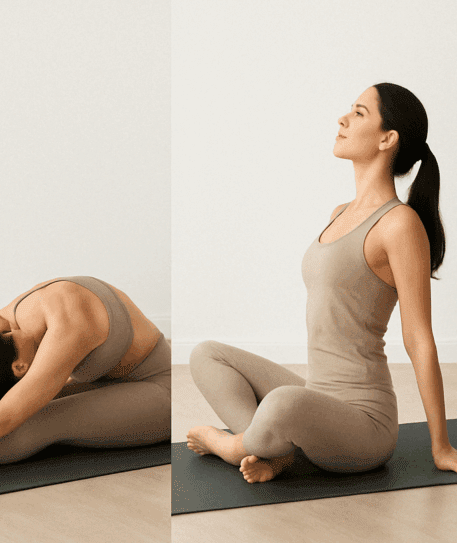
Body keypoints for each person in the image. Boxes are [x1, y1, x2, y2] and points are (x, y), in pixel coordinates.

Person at [187, 83, 457, 483]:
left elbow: (419, 338)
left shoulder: (399, 224)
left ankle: (234, 445)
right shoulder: (339, 212)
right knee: (207, 354)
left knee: (280, 404)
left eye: (360, 113)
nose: (343, 119)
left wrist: (441, 447)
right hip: (316, 395)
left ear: (388, 138)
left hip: (364, 425)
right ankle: (275, 449)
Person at [0, 276, 170, 472]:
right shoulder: (3, 322)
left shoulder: (69, 326)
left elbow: (3, 418)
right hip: (109, 384)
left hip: (161, 389)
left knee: (36, 420)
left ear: (20, 368)